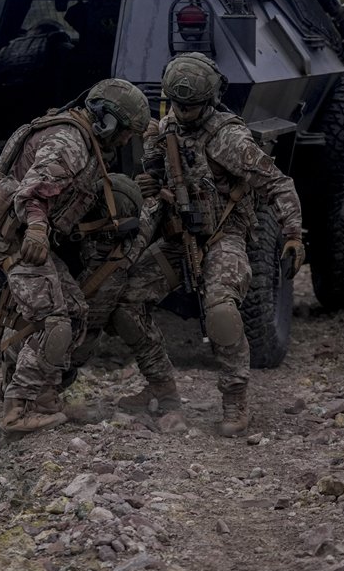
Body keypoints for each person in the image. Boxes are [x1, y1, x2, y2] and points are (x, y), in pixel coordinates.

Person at [110, 53, 305, 437]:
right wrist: (149, 187)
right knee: (126, 303)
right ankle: (162, 387)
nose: (183, 113)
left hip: (223, 236)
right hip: (177, 237)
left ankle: (235, 395)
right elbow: (153, 180)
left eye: (191, 106)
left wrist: (294, 234)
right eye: (177, 105)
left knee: (221, 310)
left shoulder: (228, 138)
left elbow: (278, 183)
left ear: (209, 100)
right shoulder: (161, 130)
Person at [0, 78, 151, 435]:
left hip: (25, 235)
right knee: (54, 320)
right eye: (125, 133)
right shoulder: (69, 142)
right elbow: (31, 193)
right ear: (108, 122)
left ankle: (43, 398)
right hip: (16, 240)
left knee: (74, 310)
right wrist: (38, 229)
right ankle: (19, 407)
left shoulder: (80, 136)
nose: (124, 142)